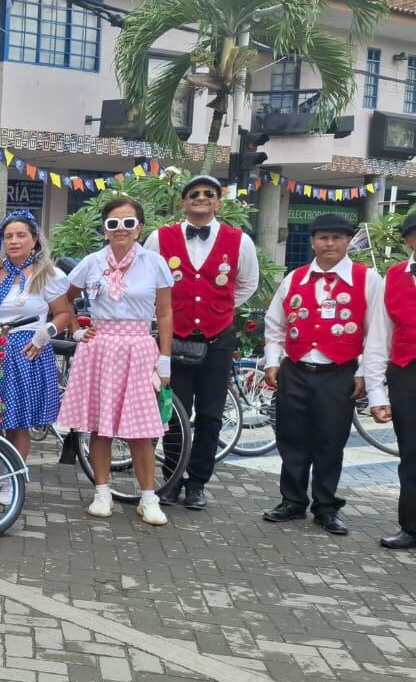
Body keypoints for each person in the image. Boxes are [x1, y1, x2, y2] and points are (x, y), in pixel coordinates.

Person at [261, 213, 387, 536]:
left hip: (339, 372)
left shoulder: (368, 279)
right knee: (292, 438)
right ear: (313, 242)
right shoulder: (295, 278)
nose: (330, 244)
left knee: (330, 441)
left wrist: (364, 372)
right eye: (323, 238)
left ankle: (326, 507)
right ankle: (292, 501)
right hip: (296, 369)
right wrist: (273, 362)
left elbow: (376, 333)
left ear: (348, 241)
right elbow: (275, 324)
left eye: (337, 238)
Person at [143, 174, 260, 509]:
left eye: (209, 193)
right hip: (174, 337)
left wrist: (217, 309)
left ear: (218, 203)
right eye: (194, 193)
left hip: (218, 338)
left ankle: (197, 484)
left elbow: (247, 283)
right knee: (172, 412)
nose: (201, 197)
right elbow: (147, 281)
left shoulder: (240, 241)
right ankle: (172, 478)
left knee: (210, 414)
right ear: (183, 203)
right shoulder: (160, 238)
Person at [57, 197, 174, 527]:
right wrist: (77, 330)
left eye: (128, 223)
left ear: (140, 228)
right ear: (104, 229)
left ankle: (148, 497)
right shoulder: (92, 262)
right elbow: (64, 298)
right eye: (113, 223)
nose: (120, 229)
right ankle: (102, 492)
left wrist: (165, 360)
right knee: (101, 426)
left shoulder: (154, 263)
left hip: (138, 347)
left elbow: (165, 313)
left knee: (141, 429)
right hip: (100, 348)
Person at [0, 211, 73, 464]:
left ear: (34, 240)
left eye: (21, 235)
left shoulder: (47, 274)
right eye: (8, 236)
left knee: (17, 422)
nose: (14, 241)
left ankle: (12, 477)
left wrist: (44, 335)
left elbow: (64, 314)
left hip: (26, 352)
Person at [372, 212, 416, 550]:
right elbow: (379, 336)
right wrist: (377, 392)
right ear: (408, 240)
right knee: (411, 453)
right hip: (406, 372)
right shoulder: (394, 276)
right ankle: (411, 527)